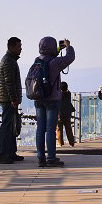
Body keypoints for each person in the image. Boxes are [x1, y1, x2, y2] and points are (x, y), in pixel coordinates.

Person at [33, 37, 75, 168]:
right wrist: (68, 46)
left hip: (39, 98)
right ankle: (51, 158)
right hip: (52, 99)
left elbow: (49, 56)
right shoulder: (55, 62)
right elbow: (70, 58)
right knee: (51, 129)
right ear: (52, 47)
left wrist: (57, 50)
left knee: (40, 129)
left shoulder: (37, 61)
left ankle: (41, 158)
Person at [0, 38, 24, 164]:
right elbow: (9, 82)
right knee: (7, 126)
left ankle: (11, 152)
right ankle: (1, 154)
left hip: (8, 98)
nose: (21, 48)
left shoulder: (10, 60)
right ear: (12, 47)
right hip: (8, 99)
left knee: (11, 125)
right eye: (19, 46)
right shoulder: (8, 61)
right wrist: (13, 98)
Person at [58, 81, 76, 147]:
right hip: (67, 114)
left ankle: (60, 143)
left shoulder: (58, 94)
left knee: (59, 129)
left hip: (60, 114)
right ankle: (71, 143)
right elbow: (68, 103)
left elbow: (58, 104)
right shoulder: (69, 94)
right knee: (68, 129)